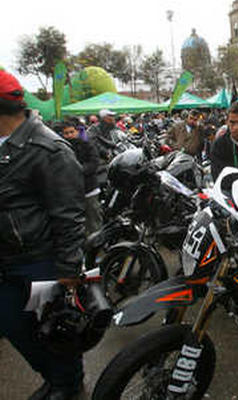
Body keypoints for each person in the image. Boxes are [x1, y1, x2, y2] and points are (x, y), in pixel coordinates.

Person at [0, 70, 85, 400]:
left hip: (40, 263)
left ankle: (67, 384)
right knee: (13, 325)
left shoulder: (49, 149)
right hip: (8, 261)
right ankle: (54, 377)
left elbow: (69, 215)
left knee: (56, 331)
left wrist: (67, 271)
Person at [62, 120, 102, 236]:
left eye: (71, 132)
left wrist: (78, 170)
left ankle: (97, 244)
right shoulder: (61, 148)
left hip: (89, 189)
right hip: (71, 192)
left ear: (77, 132)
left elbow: (94, 163)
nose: (69, 135)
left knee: (94, 220)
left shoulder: (87, 144)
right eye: (66, 133)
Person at [86, 108, 129, 185]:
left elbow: (123, 138)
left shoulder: (115, 127)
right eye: (110, 116)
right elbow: (93, 143)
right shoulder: (94, 129)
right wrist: (105, 152)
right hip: (101, 159)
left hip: (116, 155)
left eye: (113, 116)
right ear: (104, 118)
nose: (113, 118)